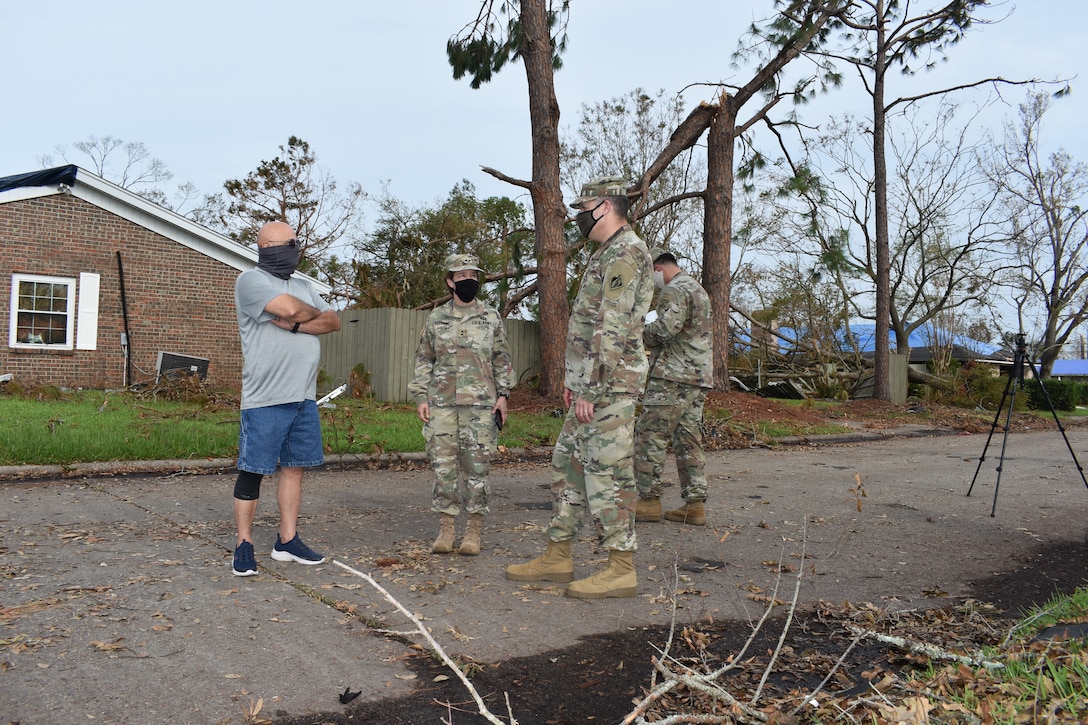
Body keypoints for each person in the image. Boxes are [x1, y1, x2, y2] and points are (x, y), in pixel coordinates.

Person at [505, 176, 653, 598]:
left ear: (604, 206)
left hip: (610, 387)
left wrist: (592, 388)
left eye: (582, 208)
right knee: (567, 466)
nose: (578, 217)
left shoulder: (625, 252)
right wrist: (575, 383)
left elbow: (614, 327)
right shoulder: (606, 252)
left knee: (607, 474)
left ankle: (620, 567)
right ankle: (558, 555)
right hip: (591, 384)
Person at [230, 221, 342, 577]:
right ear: (266, 246)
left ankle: (286, 540)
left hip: (304, 396)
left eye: (296, 242)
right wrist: (302, 315)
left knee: (294, 468)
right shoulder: (250, 281)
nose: (295, 248)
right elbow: (293, 309)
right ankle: (243, 545)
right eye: (289, 243)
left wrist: (296, 324)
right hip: (265, 397)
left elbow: (333, 321)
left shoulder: (303, 285)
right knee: (253, 471)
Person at [409, 254, 514, 556]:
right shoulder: (437, 318)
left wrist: (503, 396)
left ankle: (473, 531)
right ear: (449, 281)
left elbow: (502, 359)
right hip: (441, 405)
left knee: (477, 470)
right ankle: (446, 529)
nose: (469, 279)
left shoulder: (491, 317)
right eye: (462, 275)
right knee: (443, 470)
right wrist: (420, 397)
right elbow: (424, 359)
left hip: (481, 406)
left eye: (474, 274)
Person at [634, 249, 714, 526]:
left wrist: (634, 334)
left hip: (672, 376)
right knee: (688, 438)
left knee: (649, 436)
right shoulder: (697, 289)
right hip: (697, 376)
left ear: (657, 268)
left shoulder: (674, 290)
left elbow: (664, 330)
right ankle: (694, 505)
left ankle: (648, 501)